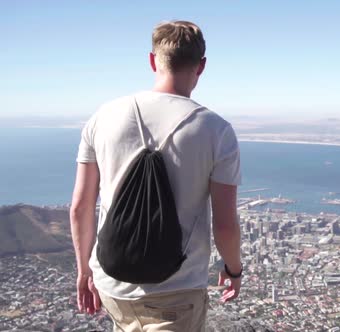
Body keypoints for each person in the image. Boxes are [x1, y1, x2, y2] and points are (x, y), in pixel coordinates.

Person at [70, 20, 242, 331]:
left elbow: (80, 207)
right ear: (201, 66)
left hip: (112, 284)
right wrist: (234, 269)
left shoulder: (102, 117)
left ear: (152, 61)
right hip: (177, 292)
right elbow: (225, 224)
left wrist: (85, 271)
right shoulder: (216, 131)